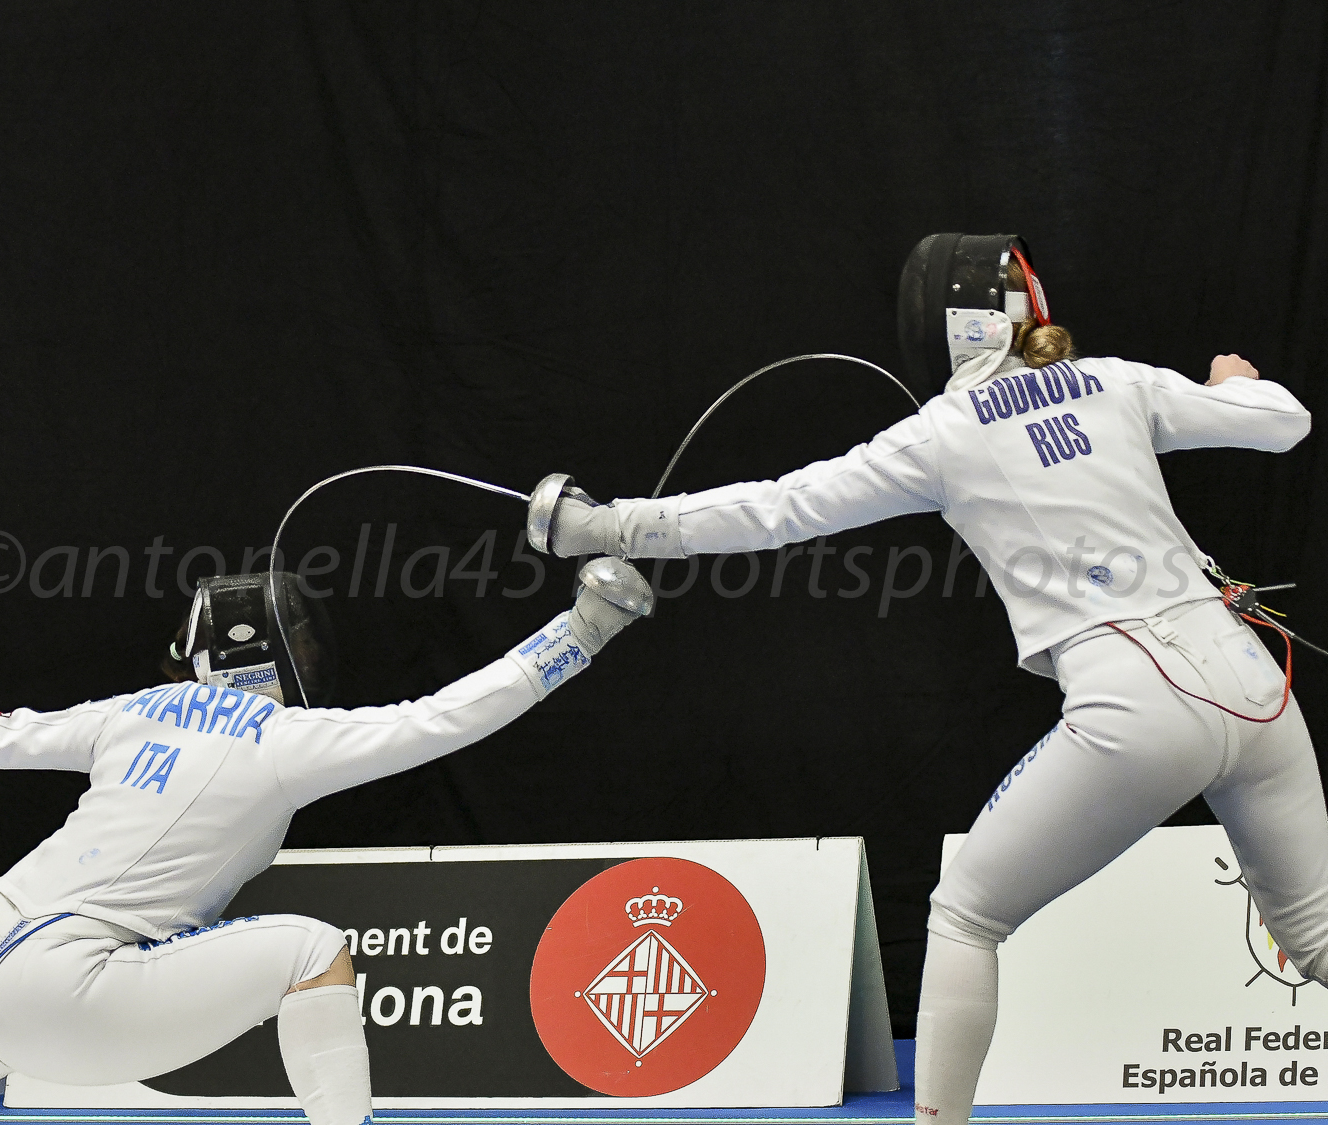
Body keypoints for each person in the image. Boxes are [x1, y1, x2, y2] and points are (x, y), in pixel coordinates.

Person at [533, 236, 1317, 1125]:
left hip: (1134, 705)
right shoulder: (1118, 380)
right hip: (1253, 686)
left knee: (966, 916)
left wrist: (605, 527)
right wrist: (1231, 387)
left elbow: (774, 507)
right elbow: (1285, 420)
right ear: (1020, 306)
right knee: (1320, 938)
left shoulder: (942, 435)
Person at [0, 559, 654, 1125]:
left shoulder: (132, 710)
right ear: (271, 655)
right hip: (63, 994)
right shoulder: (284, 737)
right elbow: (448, 715)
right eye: (297, 642)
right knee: (312, 951)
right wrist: (580, 632)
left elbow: (4, 732)